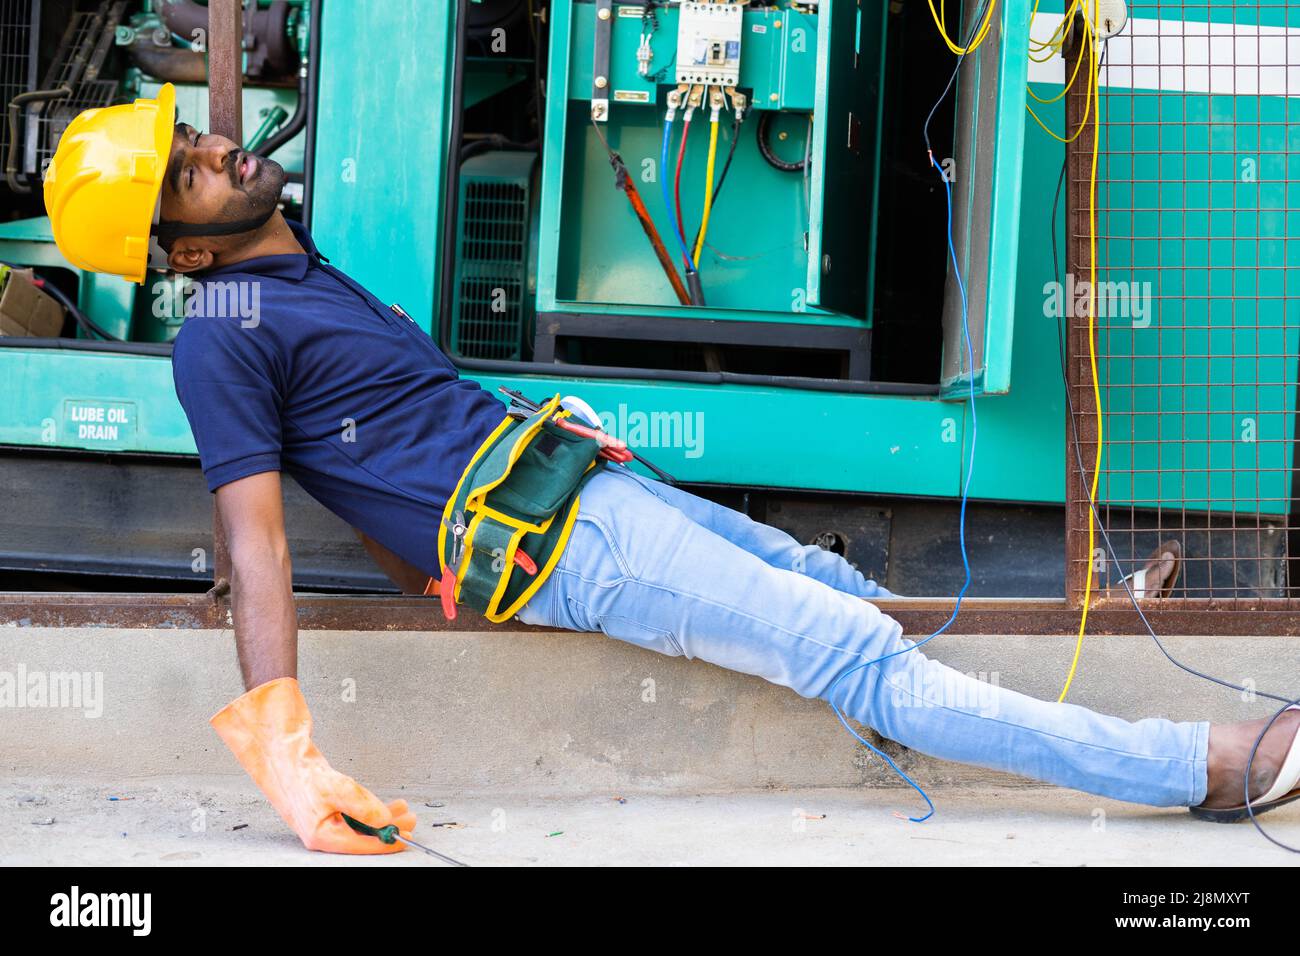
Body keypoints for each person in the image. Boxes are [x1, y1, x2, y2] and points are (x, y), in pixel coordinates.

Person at [40, 85, 1300, 854]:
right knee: (859, 653)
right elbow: (255, 535)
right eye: (185, 174)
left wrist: (436, 560)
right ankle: (1195, 764)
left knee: (830, 593)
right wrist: (282, 747)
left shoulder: (288, 268)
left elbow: (368, 448)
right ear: (178, 254)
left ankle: (894, 716)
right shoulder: (219, 337)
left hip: (578, 484)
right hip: (573, 545)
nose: (216, 152)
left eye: (198, 141)